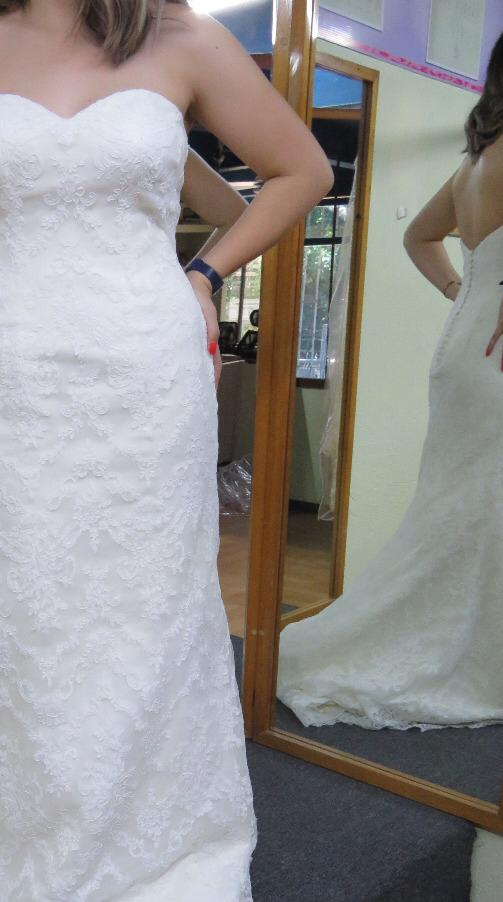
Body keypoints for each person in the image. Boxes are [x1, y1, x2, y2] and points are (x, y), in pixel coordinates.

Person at [0, 0, 333, 902]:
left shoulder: (182, 36)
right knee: (27, 592)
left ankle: (141, 830)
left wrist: (206, 272)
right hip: (18, 361)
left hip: (149, 359)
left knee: (145, 599)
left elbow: (303, 171)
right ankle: (27, 820)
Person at [277, 32, 503, 732]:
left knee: (458, 508)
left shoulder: (476, 160)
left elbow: (418, 238)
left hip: (466, 348)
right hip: (493, 355)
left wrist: (464, 293)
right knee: (480, 512)